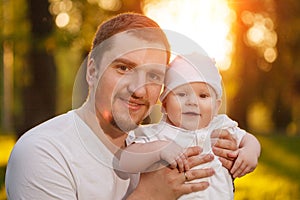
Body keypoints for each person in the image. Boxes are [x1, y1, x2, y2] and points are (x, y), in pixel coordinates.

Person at [5, 13, 239, 199]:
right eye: (124, 68)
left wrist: (221, 169)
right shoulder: (43, 152)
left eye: (154, 76)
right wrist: (150, 196)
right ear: (92, 70)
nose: (138, 90)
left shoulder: (153, 144)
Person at [119, 52, 261, 199]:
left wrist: (250, 152)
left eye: (203, 96)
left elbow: (248, 139)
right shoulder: (156, 135)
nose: (192, 102)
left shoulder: (220, 126)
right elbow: (125, 160)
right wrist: (158, 150)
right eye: (181, 94)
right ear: (165, 104)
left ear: (216, 105)